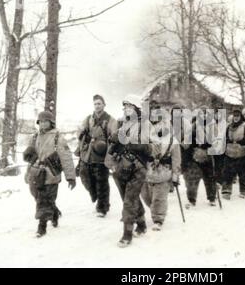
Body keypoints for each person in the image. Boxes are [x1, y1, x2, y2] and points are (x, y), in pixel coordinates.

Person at [106, 94, 151, 247]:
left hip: (138, 167)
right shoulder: (122, 124)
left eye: (129, 106)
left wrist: (128, 141)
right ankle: (142, 222)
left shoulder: (145, 124)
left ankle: (127, 233)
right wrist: (114, 141)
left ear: (137, 109)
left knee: (129, 200)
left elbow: (150, 148)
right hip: (121, 166)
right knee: (128, 197)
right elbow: (113, 145)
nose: (126, 109)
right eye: (125, 107)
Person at [23, 111, 76, 237]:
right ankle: (55, 212)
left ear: (51, 123)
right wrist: (27, 172)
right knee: (38, 197)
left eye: (45, 121)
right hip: (36, 174)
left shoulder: (58, 137)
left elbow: (66, 158)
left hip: (51, 174)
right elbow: (31, 157)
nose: (42, 124)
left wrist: (70, 177)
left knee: (44, 200)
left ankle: (42, 227)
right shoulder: (34, 137)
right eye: (40, 122)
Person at [141, 102, 181, 231]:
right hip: (147, 170)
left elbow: (176, 156)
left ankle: (158, 219)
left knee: (159, 197)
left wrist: (175, 175)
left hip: (163, 170)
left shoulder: (170, 136)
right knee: (147, 197)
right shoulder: (144, 132)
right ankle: (155, 210)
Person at [76, 94, 117, 217]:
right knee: (84, 176)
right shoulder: (89, 118)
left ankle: (102, 207)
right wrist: (82, 133)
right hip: (88, 153)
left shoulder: (110, 120)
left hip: (101, 154)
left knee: (101, 181)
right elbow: (79, 131)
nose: (97, 106)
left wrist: (109, 153)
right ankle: (94, 195)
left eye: (99, 103)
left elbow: (114, 136)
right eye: (95, 104)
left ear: (104, 105)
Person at [182, 105, 218, 207]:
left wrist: (209, 147)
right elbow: (187, 141)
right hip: (195, 154)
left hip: (208, 153)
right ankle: (191, 199)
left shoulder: (212, 125)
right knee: (193, 178)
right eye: (201, 113)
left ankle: (212, 198)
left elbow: (217, 140)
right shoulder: (194, 125)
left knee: (210, 177)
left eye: (205, 113)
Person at [221, 109, 245, 199]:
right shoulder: (228, 127)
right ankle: (226, 190)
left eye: (238, 116)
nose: (236, 118)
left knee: (243, 172)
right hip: (229, 151)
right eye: (235, 116)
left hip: (241, 152)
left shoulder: (244, 126)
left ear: (240, 117)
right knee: (227, 172)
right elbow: (223, 138)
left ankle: (243, 190)